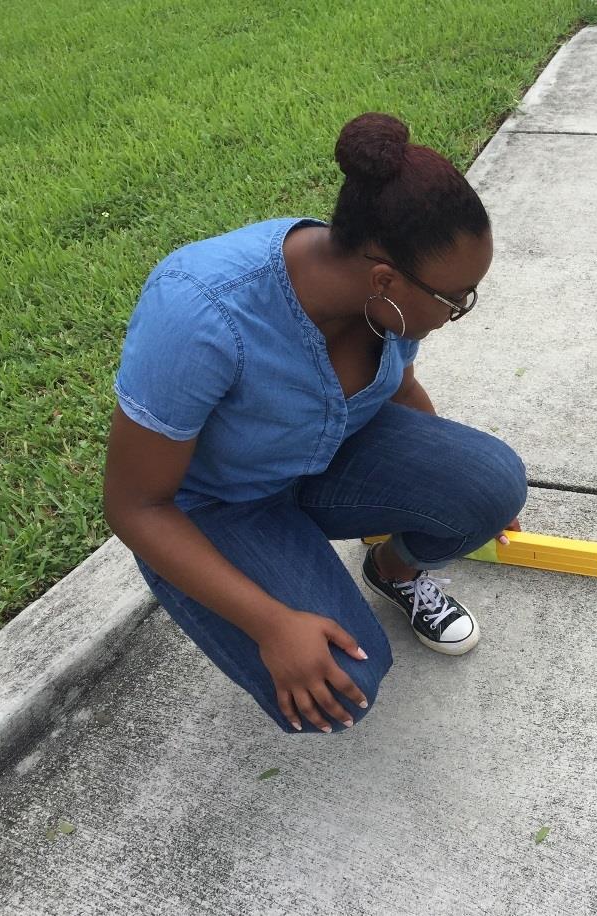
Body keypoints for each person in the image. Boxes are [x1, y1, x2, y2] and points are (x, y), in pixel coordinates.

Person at [103, 112, 527, 735]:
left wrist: (468, 492)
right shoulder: (201, 310)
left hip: (330, 453)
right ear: (385, 278)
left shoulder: (386, 303)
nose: (459, 310)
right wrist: (273, 624)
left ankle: (391, 572)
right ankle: (256, 570)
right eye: (455, 298)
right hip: (218, 504)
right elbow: (134, 506)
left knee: (492, 480)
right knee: (343, 684)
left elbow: (398, 385)